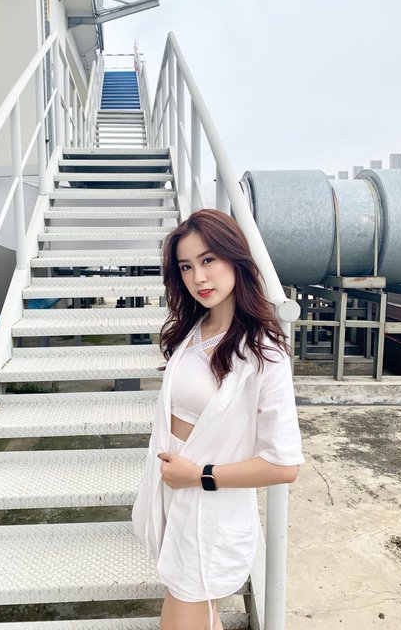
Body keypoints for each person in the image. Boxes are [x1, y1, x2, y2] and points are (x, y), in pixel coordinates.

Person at [131, 209, 305, 630]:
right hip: (175, 499)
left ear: (235, 258)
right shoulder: (193, 330)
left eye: (208, 260)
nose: (198, 277)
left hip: (209, 515)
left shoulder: (263, 352)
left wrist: (199, 475)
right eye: (186, 267)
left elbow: (284, 465)